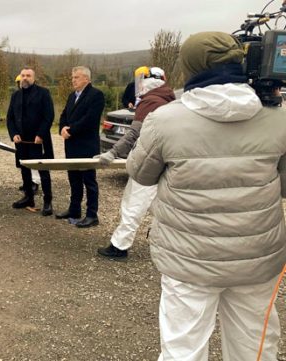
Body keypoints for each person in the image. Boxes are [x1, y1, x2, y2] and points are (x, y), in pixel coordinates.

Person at [128, 32, 286, 360]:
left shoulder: (165, 120)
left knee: (182, 350)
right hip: (256, 261)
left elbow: (140, 173)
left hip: (188, 261)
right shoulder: (279, 118)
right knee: (255, 350)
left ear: (191, 68)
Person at [96, 66, 175, 259]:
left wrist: (112, 153)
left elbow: (134, 134)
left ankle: (119, 247)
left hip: (149, 163)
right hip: (161, 161)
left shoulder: (151, 102)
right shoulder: (168, 100)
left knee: (134, 204)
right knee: (157, 205)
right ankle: (168, 242)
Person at [57, 66, 105, 227]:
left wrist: (71, 130)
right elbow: (64, 115)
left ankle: (92, 215)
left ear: (86, 78)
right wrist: (62, 128)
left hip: (86, 146)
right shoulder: (72, 96)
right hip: (71, 145)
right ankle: (74, 209)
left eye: (76, 77)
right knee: (74, 180)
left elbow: (90, 119)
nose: (73, 80)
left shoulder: (96, 95)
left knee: (89, 181)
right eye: (72, 77)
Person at [7, 67, 54, 216]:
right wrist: (13, 134)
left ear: (34, 78)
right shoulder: (15, 95)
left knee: (43, 170)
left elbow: (49, 116)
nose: (25, 78)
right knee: (25, 169)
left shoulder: (43, 93)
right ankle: (28, 197)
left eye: (28, 76)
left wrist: (41, 134)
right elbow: (10, 118)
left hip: (38, 140)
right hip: (21, 141)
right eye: (23, 75)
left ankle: (48, 201)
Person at [14, 74, 41, 194]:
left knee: (34, 159)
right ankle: (26, 182)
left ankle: (35, 182)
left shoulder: (37, 96)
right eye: (19, 82)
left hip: (33, 136)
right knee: (22, 160)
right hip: (20, 136)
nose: (21, 84)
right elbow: (12, 116)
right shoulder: (16, 97)